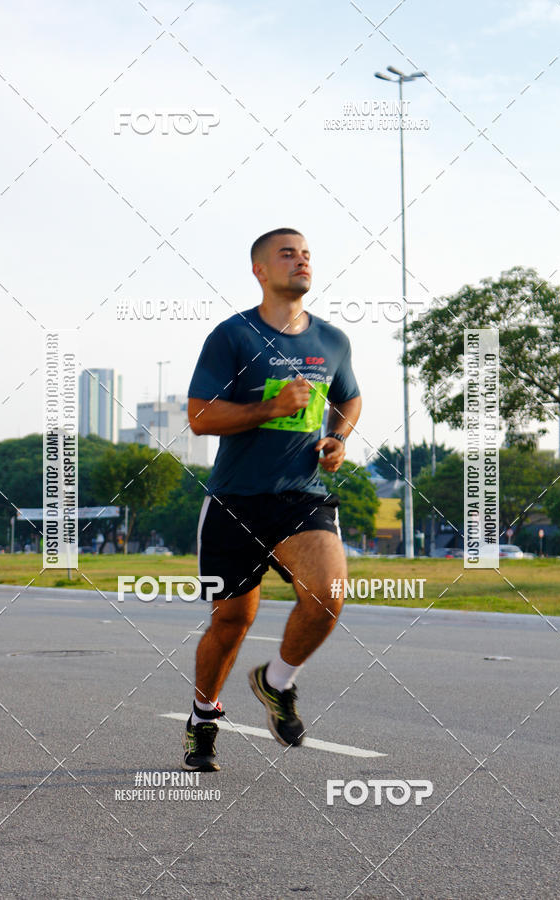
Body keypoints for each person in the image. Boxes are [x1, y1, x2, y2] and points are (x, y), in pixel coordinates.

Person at [183, 228, 362, 771]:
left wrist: (338, 437)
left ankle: (277, 682)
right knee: (231, 622)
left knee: (328, 594)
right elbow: (200, 415)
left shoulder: (332, 341)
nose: (301, 260)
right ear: (260, 270)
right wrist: (271, 407)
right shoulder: (233, 336)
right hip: (234, 501)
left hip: (302, 496)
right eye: (288, 253)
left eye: (306, 253)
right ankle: (203, 717)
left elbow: (349, 398)